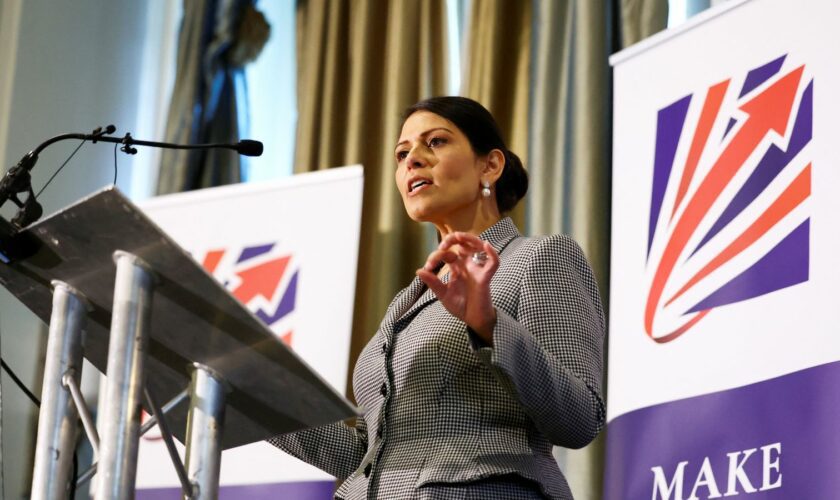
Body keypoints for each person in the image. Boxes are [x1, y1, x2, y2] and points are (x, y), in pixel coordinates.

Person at [269, 96, 605, 500]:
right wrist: (259, 396)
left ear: (491, 166)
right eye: (402, 152)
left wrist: (488, 324)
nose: (412, 160)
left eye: (437, 142)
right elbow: (373, 458)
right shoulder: (406, 302)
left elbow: (581, 418)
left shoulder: (539, 258)